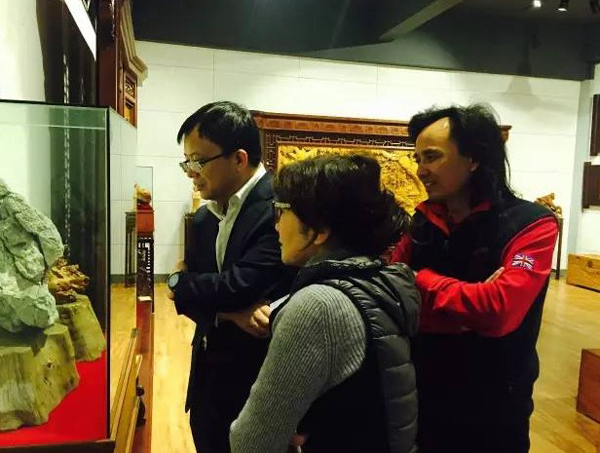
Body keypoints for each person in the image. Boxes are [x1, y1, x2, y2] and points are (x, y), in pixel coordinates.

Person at [390, 104, 559, 453]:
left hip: (495, 406)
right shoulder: (421, 222)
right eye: (418, 158)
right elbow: (390, 292)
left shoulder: (532, 224)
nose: (420, 170)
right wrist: (465, 312)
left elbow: (498, 310)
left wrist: (418, 279)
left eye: (432, 157)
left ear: (474, 159)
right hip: (423, 396)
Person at [230, 154, 420, 453]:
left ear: (319, 230)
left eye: (281, 211)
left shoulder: (318, 307)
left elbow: (251, 443)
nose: (275, 225)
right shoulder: (384, 281)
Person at [167, 101, 294, 453]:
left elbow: (239, 286)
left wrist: (177, 283)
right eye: (186, 162)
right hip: (207, 384)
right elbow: (200, 300)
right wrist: (228, 313)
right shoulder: (205, 218)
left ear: (239, 159)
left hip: (258, 386)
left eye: (198, 161)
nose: (191, 173)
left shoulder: (280, 208)